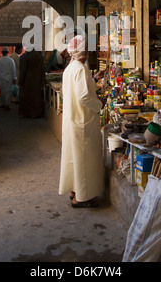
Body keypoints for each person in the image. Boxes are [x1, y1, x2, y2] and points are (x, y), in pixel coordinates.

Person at [59, 35, 105, 208]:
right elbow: (84, 96)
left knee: (74, 159)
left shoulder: (71, 68)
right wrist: (100, 104)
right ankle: (82, 197)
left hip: (73, 121)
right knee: (84, 160)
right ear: (82, 51)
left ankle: (74, 191)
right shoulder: (80, 68)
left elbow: (79, 89)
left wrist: (94, 79)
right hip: (82, 122)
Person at [18, 46, 46, 118]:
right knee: (36, 97)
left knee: (26, 97)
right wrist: (43, 80)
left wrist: (20, 81)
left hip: (27, 81)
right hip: (37, 80)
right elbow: (43, 70)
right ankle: (35, 113)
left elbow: (23, 71)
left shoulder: (24, 57)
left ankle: (26, 113)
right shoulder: (39, 57)